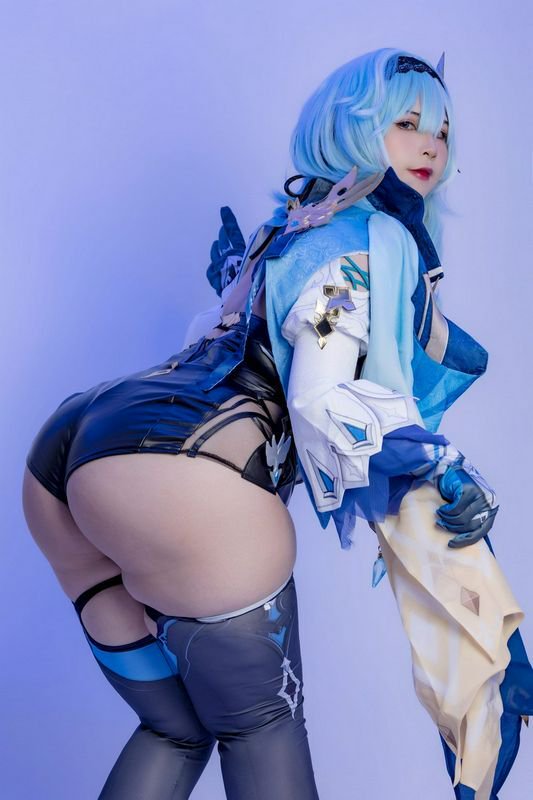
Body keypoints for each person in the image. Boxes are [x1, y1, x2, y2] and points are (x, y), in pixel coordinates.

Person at [21, 46, 531, 800]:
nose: (431, 145)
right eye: (406, 123)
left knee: (175, 727)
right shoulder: (356, 247)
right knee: (262, 727)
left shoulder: (287, 229)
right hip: (190, 478)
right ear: (351, 126)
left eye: (444, 132)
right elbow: (321, 394)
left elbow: (209, 337)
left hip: (68, 458)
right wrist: (437, 462)